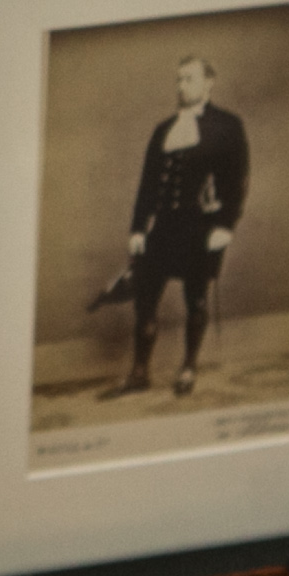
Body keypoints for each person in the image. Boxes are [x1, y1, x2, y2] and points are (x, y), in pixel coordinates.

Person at [107, 56, 250, 399]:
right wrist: (138, 230)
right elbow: (147, 184)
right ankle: (140, 372)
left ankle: (188, 367)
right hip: (164, 229)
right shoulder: (163, 129)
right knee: (144, 300)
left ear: (209, 82)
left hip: (201, 229)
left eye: (189, 79)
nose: (182, 86)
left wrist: (225, 226)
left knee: (196, 300)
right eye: (179, 80)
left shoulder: (227, 126)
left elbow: (237, 182)